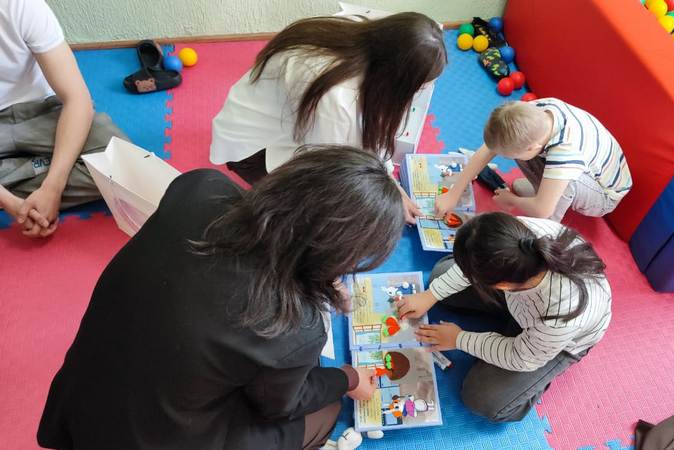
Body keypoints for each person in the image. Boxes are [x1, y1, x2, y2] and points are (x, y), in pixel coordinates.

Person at [38, 146, 405, 450]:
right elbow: (279, 406)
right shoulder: (294, 324)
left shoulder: (201, 188)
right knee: (324, 410)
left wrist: (313, 273)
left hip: (82, 397)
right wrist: (348, 377)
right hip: (153, 438)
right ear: (335, 255)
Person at [210, 12, 447, 223]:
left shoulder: (361, 34)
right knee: (333, 209)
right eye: (418, 89)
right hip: (250, 152)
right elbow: (332, 173)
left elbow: (369, 135)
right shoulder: (337, 104)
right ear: (394, 80)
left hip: (262, 116)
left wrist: (390, 183)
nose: (416, 96)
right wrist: (383, 192)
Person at [396, 212, 612, 422]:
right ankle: (506, 325)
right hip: (525, 300)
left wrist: (459, 339)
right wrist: (431, 295)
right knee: (440, 276)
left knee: (482, 399)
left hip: (555, 341)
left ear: (502, 285)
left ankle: (532, 381)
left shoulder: (561, 314)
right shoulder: (516, 234)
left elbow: (522, 357)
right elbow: (477, 259)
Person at [0, 0, 127, 238]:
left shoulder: (21, 6)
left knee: (120, 160)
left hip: (40, 112)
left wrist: (53, 188)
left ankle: (30, 171)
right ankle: (42, 169)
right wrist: (10, 203)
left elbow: (77, 99)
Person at [435, 99, 632, 222]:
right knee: (513, 146)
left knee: (561, 189)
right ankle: (544, 191)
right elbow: (489, 148)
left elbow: (542, 210)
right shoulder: (532, 112)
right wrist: (453, 193)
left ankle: (547, 230)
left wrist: (512, 200)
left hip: (604, 196)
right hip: (577, 162)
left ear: (533, 147)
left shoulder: (566, 151)